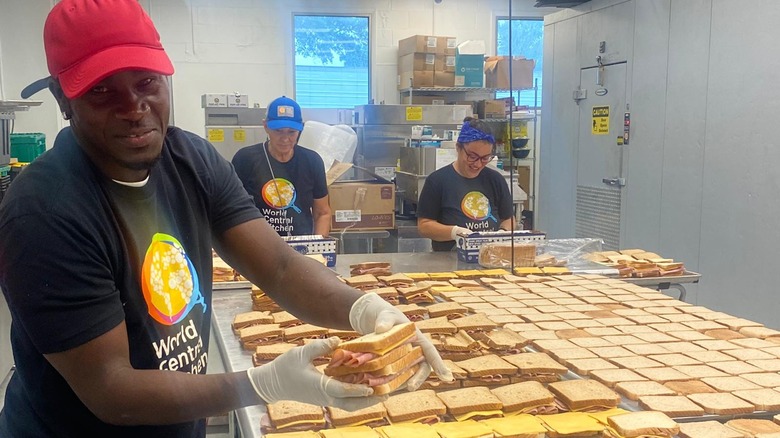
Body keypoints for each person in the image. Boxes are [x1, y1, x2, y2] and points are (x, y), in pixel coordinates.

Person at [0, 1, 451, 437]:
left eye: (147, 83)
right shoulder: (44, 213)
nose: (133, 106)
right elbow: (112, 388)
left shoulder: (191, 160)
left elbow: (279, 266)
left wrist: (364, 310)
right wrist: (259, 385)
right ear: (63, 98)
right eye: (102, 90)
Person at [232, 96, 331, 236]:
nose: (285, 139)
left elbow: (322, 213)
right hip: (257, 246)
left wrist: (317, 249)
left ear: (300, 128)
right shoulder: (245, 159)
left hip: (301, 247)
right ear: (265, 126)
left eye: (291, 132)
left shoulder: (312, 161)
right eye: (278, 131)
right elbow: (232, 211)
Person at [417, 117, 515, 251]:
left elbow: (509, 219)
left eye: (485, 158)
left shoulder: (495, 180)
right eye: (472, 156)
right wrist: (455, 232)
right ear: (458, 148)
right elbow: (424, 226)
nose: (478, 163)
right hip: (449, 261)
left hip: (491, 257)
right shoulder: (437, 181)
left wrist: (502, 233)